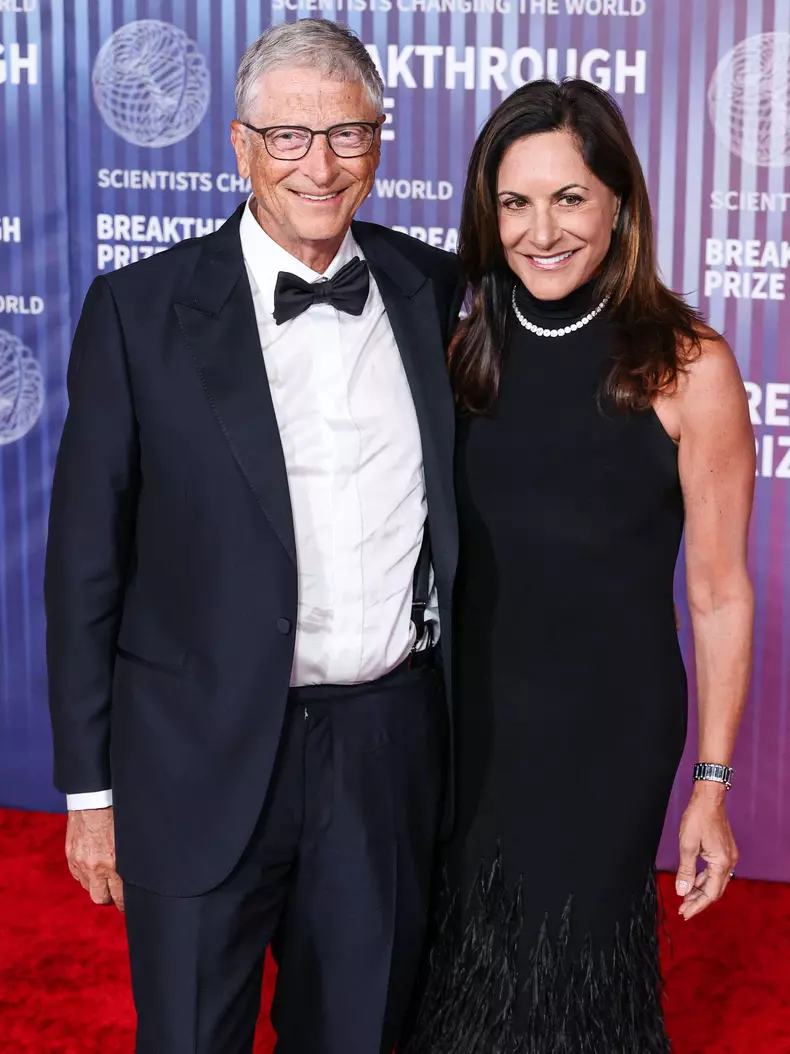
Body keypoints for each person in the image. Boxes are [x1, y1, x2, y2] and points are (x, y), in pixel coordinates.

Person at [44, 19, 463, 1054]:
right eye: (288, 136)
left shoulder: (437, 293)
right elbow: (83, 565)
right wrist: (90, 791)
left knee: (361, 1034)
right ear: (239, 145)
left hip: (382, 748)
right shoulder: (138, 313)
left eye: (347, 133)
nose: (319, 165)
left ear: (380, 143)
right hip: (194, 754)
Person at [401, 79, 754, 1053]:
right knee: (460, 979)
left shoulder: (687, 366)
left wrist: (711, 784)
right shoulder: (460, 353)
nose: (539, 229)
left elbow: (719, 592)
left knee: (572, 983)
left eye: (568, 198)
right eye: (514, 202)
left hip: (608, 735)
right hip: (468, 726)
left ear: (619, 204)